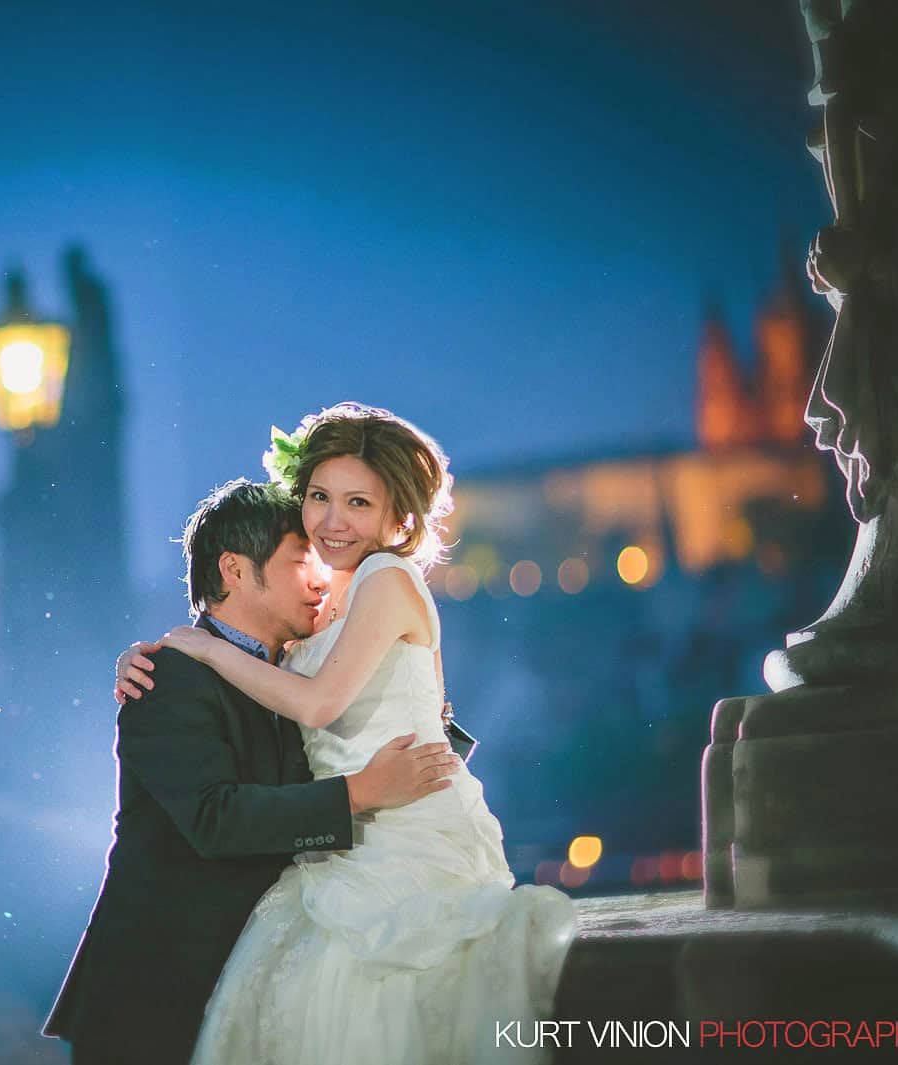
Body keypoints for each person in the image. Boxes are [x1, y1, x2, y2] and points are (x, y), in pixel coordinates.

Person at [114, 403, 575, 1064]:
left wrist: (206, 651)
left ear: (399, 518)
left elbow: (322, 704)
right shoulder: (324, 600)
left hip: (400, 837)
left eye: (357, 502)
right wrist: (157, 654)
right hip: (336, 851)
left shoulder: (386, 578)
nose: (332, 521)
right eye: (319, 498)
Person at [43, 479, 461, 1065]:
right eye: (301, 562)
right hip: (161, 993)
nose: (320, 581)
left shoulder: (291, 673)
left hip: (259, 979)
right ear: (234, 571)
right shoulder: (168, 679)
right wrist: (361, 793)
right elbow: (215, 818)